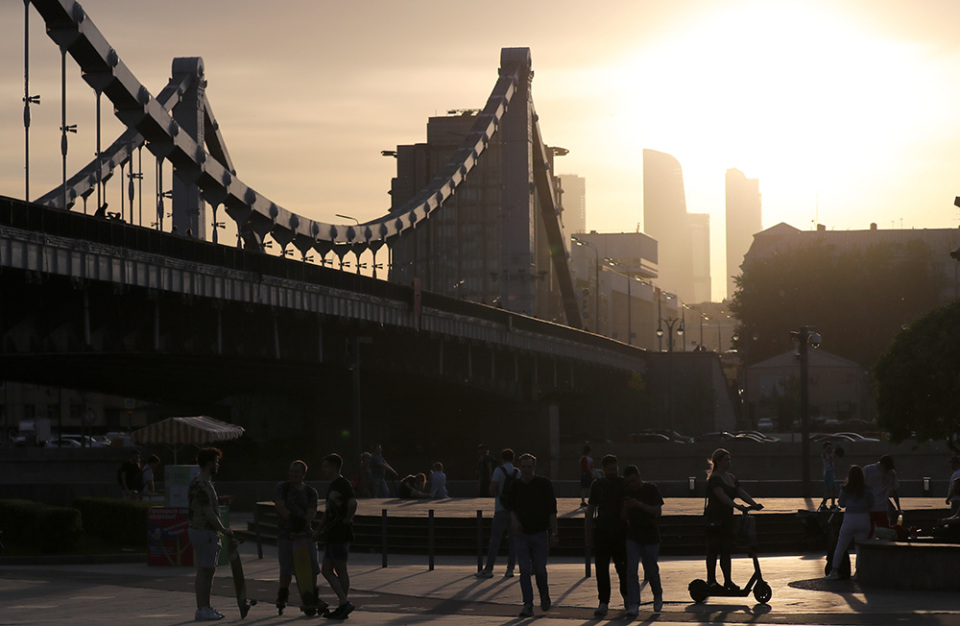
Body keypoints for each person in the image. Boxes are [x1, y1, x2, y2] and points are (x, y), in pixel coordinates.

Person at [703, 448, 763, 592]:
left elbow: (740, 492)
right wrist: (736, 505)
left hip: (727, 518)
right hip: (715, 518)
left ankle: (728, 581)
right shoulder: (715, 478)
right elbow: (721, 496)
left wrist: (754, 504)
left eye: (730, 459)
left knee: (726, 550)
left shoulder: (730, 477)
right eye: (726, 460)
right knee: (713, 549)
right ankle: (711, 581)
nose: (729, 462)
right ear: (718, 462)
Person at [507, 453, 558, 618]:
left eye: (529, 467)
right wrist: (514, 520)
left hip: (540, 533)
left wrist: (554, 533)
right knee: (524, 570)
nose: (526, 470)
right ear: (519, 467)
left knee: (540, 570)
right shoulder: (515, 485)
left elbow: (552, 510)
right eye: (524, 467)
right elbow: (510, 507)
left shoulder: (544, 484)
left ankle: (544, 595)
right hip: (521, 534)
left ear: (534, 467)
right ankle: (527, 604)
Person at [188, 447, 231, 621]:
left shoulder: (198, 482)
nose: (218, 465)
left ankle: (205, 607)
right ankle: (203, 608)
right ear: (209, 463)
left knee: (206, 570)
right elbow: (209, 513)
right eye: (216, 461)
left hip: (199, 530)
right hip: (204, 532)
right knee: (205, 571)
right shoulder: (203, 485)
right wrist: (224, 529)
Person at [274, 460, 320, 612]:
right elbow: (280, 506)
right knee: (286, 568)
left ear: (303, 474)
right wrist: (292, 520)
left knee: (311, 567)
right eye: (291, 471)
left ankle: (311, 596)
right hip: (286, 534)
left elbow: (312, 511)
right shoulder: (282, 487)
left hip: (305, 534)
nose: (293, 474)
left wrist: (302, 523)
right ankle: (283, 595)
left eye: (296, 472)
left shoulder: (311, 492)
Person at [585, 454, 628, 618]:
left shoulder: (623, 483)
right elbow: (590, 510)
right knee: (601, 570)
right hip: (602, 531)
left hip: (621, 532)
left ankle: (627, 597)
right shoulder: (597, 485)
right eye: (610, 469)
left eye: (615, 469)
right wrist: (588, 535)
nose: (613, 472)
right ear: (603, 470)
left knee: (623, 568)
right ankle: (603, 601)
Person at [315, 453, 357, 620]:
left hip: (340, 533)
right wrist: (319, 531)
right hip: (332, 533)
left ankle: (343, 603)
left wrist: (347, 519)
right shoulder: (333, 485)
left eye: (325, 466)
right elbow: (328, 512)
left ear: (333, 467)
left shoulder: (342, 484)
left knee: (339, 569)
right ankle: (343, 603)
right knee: (327, 569)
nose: (323, 469)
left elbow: (353, 503)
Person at [622, 464, 664, 615]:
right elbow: (623, 517)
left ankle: (657, 594)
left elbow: (657, 512)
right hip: (633, 536)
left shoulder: (651, 489)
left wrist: (639, 504)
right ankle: (634, 603)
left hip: (650, 535)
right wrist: (626, 507)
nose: (632, 485)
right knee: (631, 571)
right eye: (629, 482)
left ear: (639, 476)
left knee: (651, 570)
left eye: (634, 481)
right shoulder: (626, 492)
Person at [476, 448, 518, 579]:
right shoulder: (517, 472)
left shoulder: (498, 471)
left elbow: (492, 489)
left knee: (495, 540)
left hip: (500, 509)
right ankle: (510, 569)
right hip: (514, 511)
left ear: (502, 458)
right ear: (513, 459)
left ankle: (489, 569)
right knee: (513, 541)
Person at [826, 464, 873, 580]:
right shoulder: (867, 489)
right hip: (863, 518)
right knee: (859, 548)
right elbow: (871, 503)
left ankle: (834, 571)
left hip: (850, 518)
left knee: (840, 546)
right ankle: (858, 572)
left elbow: (841, 504)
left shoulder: (845, 489)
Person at [863, 454, 900, 535]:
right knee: (869, 531)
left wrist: (898, 507)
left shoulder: (891, 473)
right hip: (869, 507)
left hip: (882, 507)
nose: (887, 470)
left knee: (885, 531)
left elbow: (894, 491)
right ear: (881, 464)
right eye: (886, 468)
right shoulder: (868, 470)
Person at [819, 442, 837, 511]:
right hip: (828, 473)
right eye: (828, 448)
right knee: (828, 490)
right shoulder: (825, 454)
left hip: (831, 473)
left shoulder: (830, 454)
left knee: (834, 489)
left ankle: (833, 504)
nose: (830, 449)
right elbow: (829, 459)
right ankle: (823, 504)